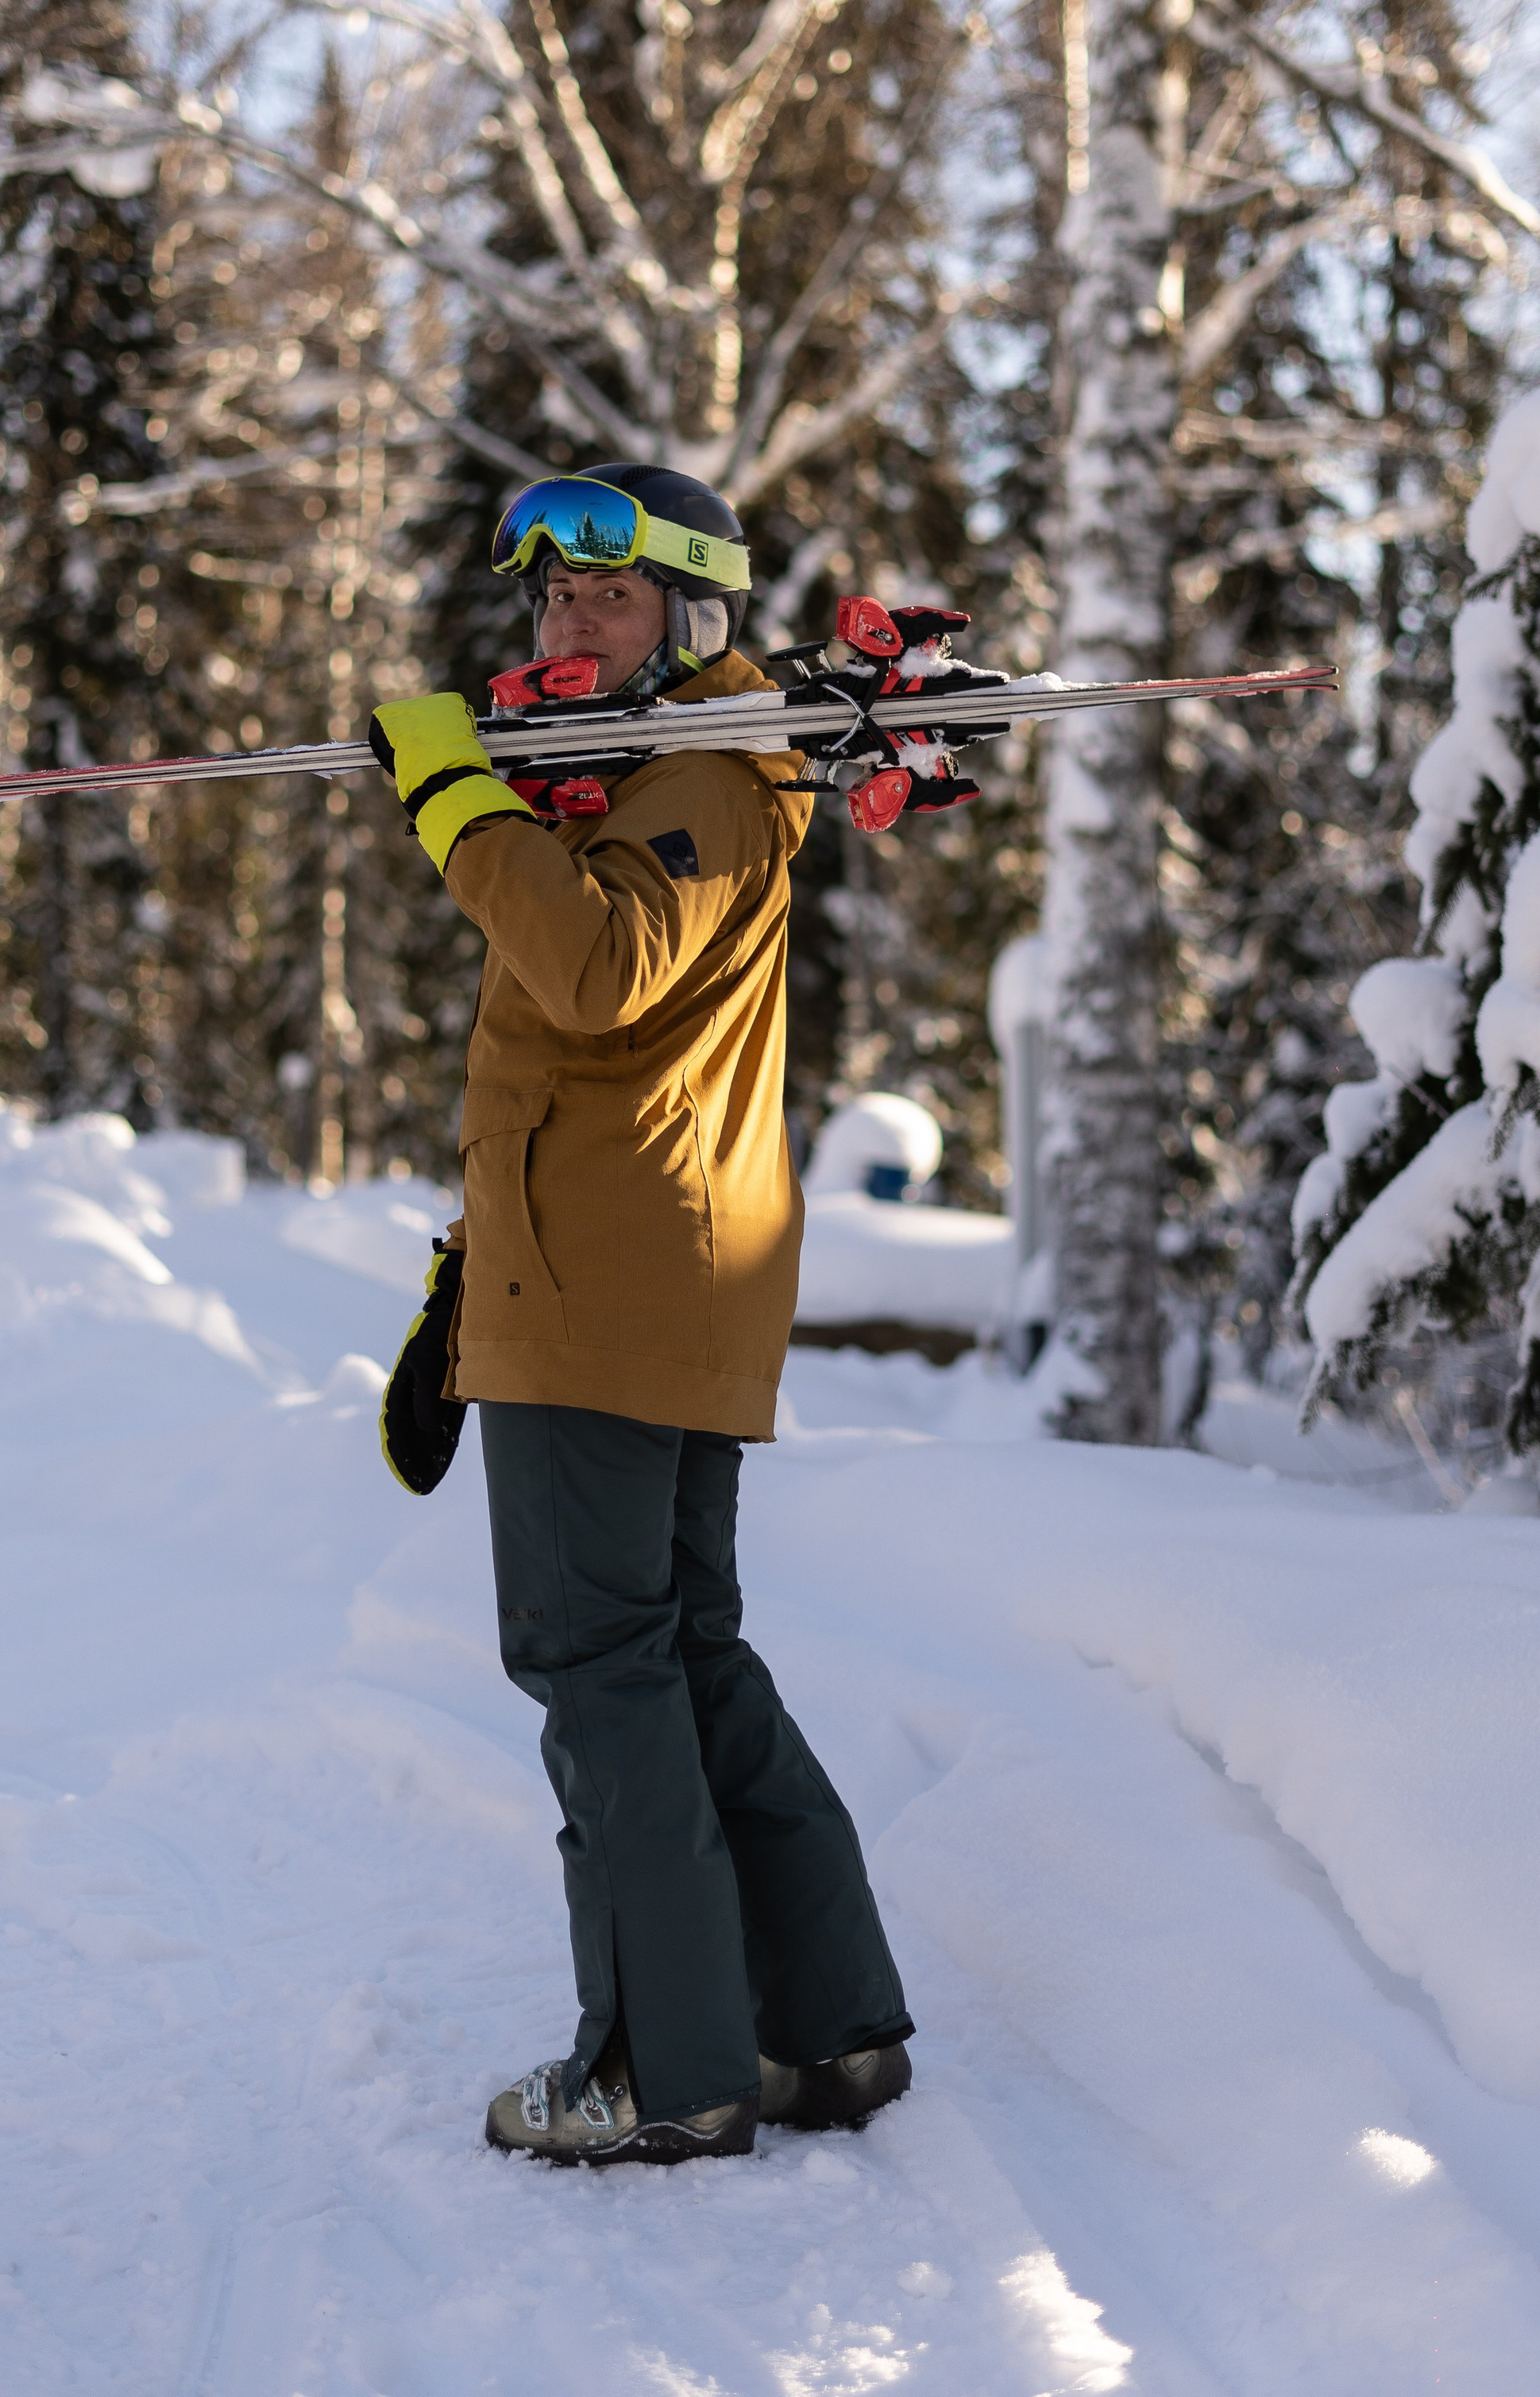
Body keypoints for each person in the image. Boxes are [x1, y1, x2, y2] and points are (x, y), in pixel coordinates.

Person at [367, 464, 913, 2167]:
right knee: (679, 1653)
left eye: (601, 596)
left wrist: (460, 801)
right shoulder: (675, 769)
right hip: (620, 1268)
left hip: (615, 1285)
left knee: (596, 1664)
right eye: (544, 599)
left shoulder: (707, 773)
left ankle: (656, 2071)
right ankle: (820, 2033)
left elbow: (594, 969)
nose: (562, 619)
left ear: (695, 613)